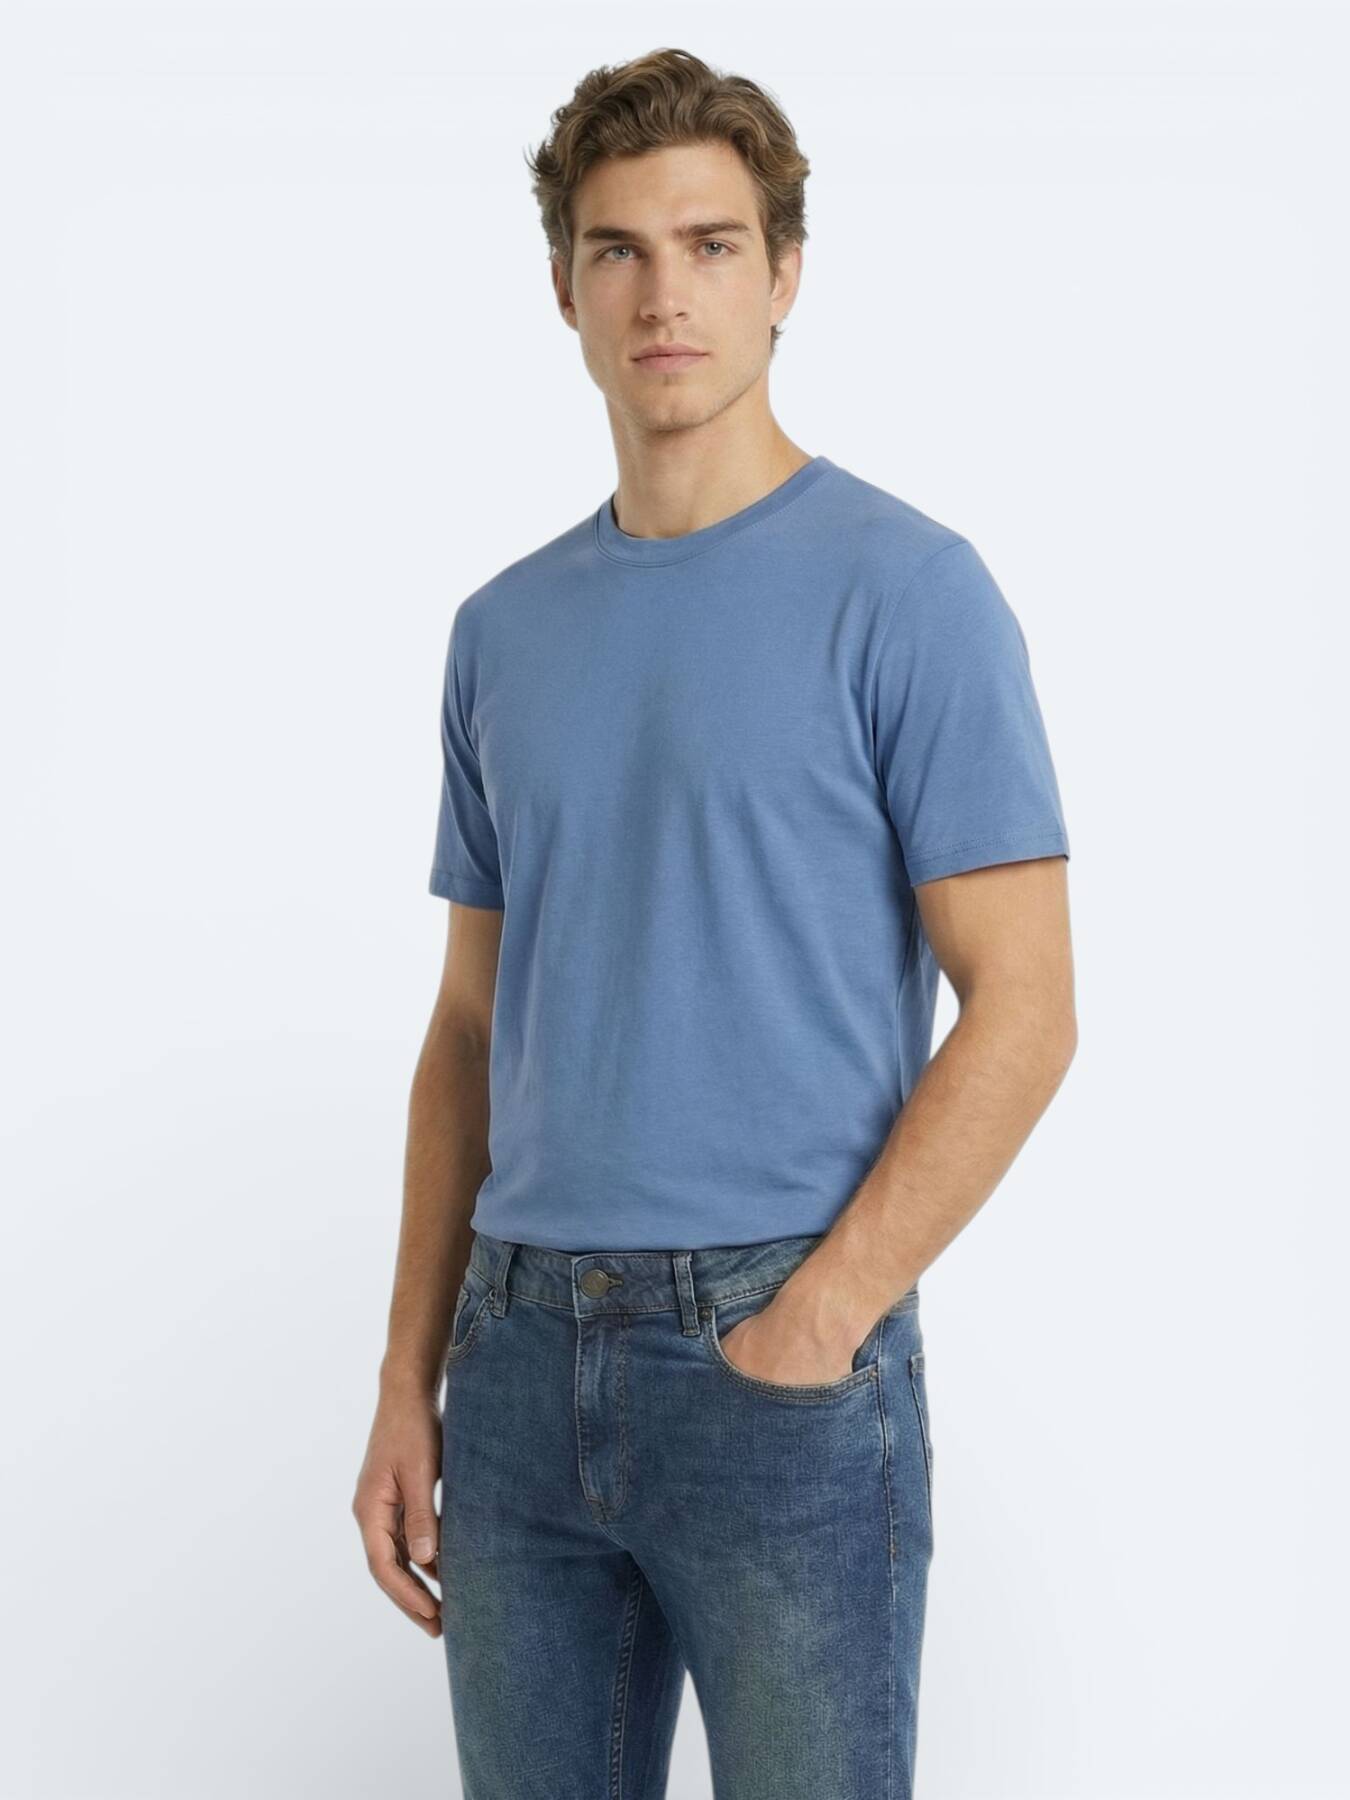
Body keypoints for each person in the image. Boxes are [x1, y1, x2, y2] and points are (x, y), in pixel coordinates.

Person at [352, 45, 1076, 1800]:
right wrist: (405, 1377)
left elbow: (1024, 1005)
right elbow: (470, 1026)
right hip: (516, 1363)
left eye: (710, 244)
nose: (663, 295)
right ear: (564, 288)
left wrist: (821, 1319)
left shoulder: (909, 592)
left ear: (784, 274)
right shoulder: (500, 630)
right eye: (617, 250)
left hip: (776, 1352)